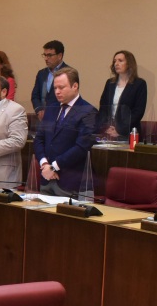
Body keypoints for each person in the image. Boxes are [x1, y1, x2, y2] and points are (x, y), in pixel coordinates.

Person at [33, 67, 97, 196]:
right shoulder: (51, 108)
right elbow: (39, 138)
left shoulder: (88, 111)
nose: (57, 92)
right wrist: (44, 163)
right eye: (55, 88)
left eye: (61, 87)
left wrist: (54, 166)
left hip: (69, 181)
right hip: (46, 177)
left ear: (75, 86)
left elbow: (81, 147)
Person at [96, 50, 148, 139]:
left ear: (129, 63)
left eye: (120, 61)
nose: (116, 63)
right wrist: (106, 126)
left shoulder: (139, 84)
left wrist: (119, 129)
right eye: (114, 61)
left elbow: (138, 111)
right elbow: (103, 106)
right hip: (109, 131)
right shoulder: (110, 83)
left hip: (129, 132)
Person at [31, 40, 68, 120]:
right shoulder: (41, 73)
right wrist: (39, 109)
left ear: (60, 56)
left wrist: (51, 112)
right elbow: (35, 95)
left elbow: (68, 97)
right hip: (42, 119)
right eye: (45, 55)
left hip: (61, 118)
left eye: (50, 55)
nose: (46, 59)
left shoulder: (69, 73)